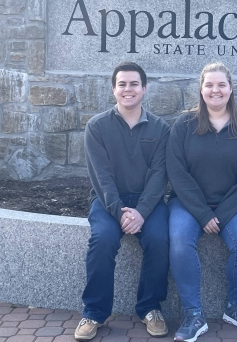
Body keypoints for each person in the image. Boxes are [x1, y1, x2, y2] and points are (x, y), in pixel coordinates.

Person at [167, 62, 237, 342]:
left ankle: (236, 306)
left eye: (221, 85)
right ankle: (193, 314)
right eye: (209, 85)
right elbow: (176, 171)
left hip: (232, 205)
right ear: (201, 89)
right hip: (188, 204)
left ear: (231, 89)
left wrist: (222, 213)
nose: (215, 90)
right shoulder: (184, 125)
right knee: (180, 241)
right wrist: (201, 213)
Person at [75, 61, 170, 340]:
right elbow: (101, 177)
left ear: (144, 89)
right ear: (114, 89)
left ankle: (150, 308)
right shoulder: (97, 126)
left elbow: (159, 175)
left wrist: (141, 212)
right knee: (103, 239)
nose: (128, 89)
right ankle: (93, 312)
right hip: (107, 201)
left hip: (148, 203)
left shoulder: (161, 128)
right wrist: (120, 213)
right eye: (122, 84)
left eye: (134, 84)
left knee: (160, 239)